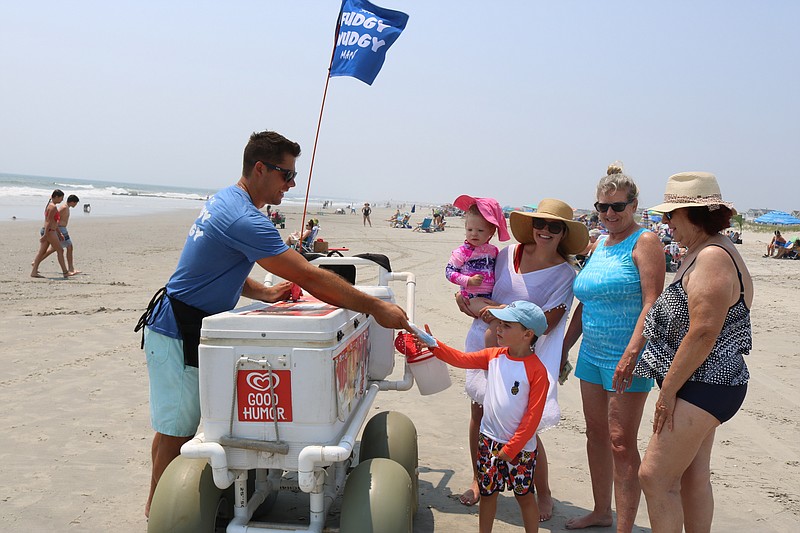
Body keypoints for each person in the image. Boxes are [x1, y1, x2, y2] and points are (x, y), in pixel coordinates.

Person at [135, 130, 411, 518]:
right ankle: (157, 513)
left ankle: (175, 505)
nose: (292, 183)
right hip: (176, 329)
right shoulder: (245, 218)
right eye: (286, 175)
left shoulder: (226, 199)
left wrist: (263, 294)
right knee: (177, 429)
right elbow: (309, 277)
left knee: (188, 424)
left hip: (192, 322)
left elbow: (215, 268)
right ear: (260, 168)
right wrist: (375, 308)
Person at [633, 172, 753, 532]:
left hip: (706, 383)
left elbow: (703, 331)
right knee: (693, 476)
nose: (665, 223)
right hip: (704, 381)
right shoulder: (704, 250)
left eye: (671, 215)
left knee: (654, 477)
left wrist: (667, 391)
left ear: (693, 214)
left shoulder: (713, 257)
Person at [456, 198, 588, 522]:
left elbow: (546, 322)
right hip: (482, 342)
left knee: (523, 427)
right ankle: (478, 477)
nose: (544, 231)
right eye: (540, 224)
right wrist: (466, 298)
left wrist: (493, 311)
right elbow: (474, 293)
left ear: (563, 234)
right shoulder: (504, 255)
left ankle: (544, 493)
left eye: (554, 227)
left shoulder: (565, 275)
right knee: (479, 412)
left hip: (523, 356)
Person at [561, 163, 665, 532]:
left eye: (617, 207)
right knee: (595, 435)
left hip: (628, 358)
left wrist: (631, 354)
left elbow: (653, 302)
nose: (609, 215)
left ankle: (624, 526)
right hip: (591, 354)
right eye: (602, 208)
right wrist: (564, 348)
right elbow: (586, 302)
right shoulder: (599, 243)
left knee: (621, 443)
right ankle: (601, 511)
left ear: (634, 205)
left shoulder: (646, 241)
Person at [417, 301, 551, 533]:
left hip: (520, 450)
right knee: (488, 495)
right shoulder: (493, 356)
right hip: (488, 441)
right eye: (499, 323)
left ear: (527, 334)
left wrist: (512, 448)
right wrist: (433, 344)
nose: (498, 328)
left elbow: (532, 417)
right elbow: (460, 359)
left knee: (525, 497)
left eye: (506, 325)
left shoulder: (538, 371)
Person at [446, 195, 510, 318]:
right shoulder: (462, 252)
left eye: (480, 231)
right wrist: (468, 280)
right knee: (497, 316)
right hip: (471, 298)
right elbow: (449, 272)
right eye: (470, 230)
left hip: (490, 295)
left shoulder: (493, 251)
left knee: (500, 314)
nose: (474, 234)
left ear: (491, 232)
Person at [30, 189, 70, 279]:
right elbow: (48, 222)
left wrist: (59, 233)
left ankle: (34, 271)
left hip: (50, 231)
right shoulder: (52, 207)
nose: (62, 200)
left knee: (42, 252)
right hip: (49, 232)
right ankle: (65, 272)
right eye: (61, 198)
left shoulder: (50, 205)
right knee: (60, 250)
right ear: (56, 197)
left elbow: (53, 222)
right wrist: (45, 235)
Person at [41, 194, 81, 275]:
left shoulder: (67, 207)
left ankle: (36, 262)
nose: (76, 205)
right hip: (60, 229)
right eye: (76, 203)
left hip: (62, 229)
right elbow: (54, 218)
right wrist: (57, 231)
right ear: (72, 202)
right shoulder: (64, 208)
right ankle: (70, 269)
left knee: (54, 249)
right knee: (69, 246)